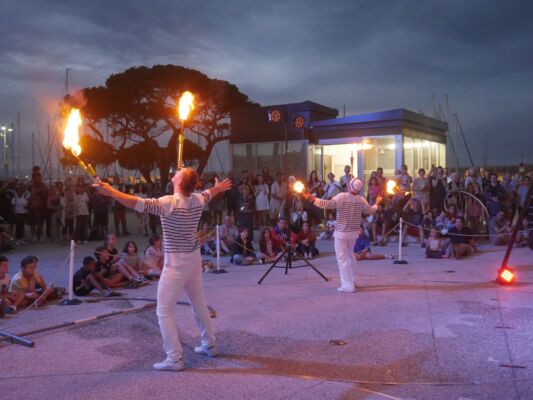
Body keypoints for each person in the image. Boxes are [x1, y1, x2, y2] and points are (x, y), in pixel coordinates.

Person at [95, 167, 232, 371]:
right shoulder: (197, 200)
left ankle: (175, 358)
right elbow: (208, 193)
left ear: (178, 182)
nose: (177, 170)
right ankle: (210, 345)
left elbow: (136, 203)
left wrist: (111, 191)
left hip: (176, 264)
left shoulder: (168, 203)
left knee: (164, 311)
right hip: (194, 260)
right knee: (199, 304)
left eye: (180, 171)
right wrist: (218, 188)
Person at [304, 178, 379, 293]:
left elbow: (326, 204)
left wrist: (311, 197)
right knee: (350, 256)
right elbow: (371, 210)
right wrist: (378, 202)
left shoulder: (341, 196)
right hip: (353, 233)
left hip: (341, 233)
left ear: (350, 186)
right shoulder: (361, 200)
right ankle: (352, 280)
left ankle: (347, 285)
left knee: (342, 258)